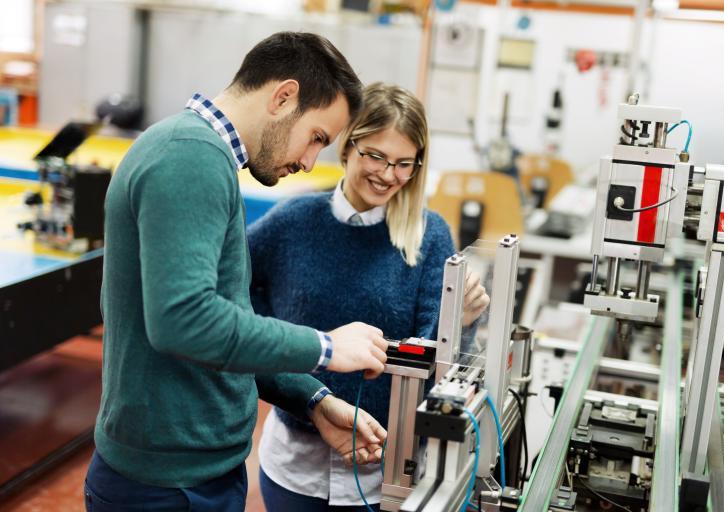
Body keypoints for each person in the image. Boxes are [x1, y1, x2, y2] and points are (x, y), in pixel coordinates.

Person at [85, 32, 391, 512]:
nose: (310, 163)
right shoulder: (190, 156)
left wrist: (312, 398)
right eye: (316, 138)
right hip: (168, 489)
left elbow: (230, 325)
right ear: (283, 97)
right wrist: (326, 347)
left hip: (192, 476)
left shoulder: (198, 155)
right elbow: (186, 321)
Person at [247, 82, 490, 511]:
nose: (387, 174)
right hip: (294, 466)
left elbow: (433, 360)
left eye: (403, 163)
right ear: (347, 147)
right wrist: (274, 343)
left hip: (385, 471)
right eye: (375, 155)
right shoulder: (292, 221)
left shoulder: (428, 236)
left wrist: (462, 323)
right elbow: (233, 290)